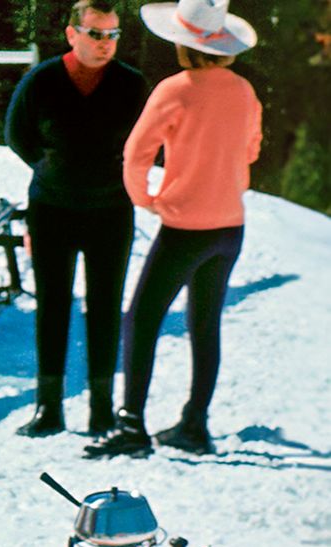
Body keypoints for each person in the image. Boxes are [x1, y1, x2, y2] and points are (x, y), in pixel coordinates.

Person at [87, 0, 263, 458]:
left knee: (140, 319)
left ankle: (131, 426)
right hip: (230, 226)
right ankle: (195, 424)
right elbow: (251, 150)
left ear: (183, 45)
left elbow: (136, 154)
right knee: (205, 324)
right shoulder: (243, 90)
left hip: (185, 225)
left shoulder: (175, 88)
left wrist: (146, 199)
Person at [6, 0, 150, 437]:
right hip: (52, 210)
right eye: (95, 34)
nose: (105, 44)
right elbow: (17, 136)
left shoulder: (130, 84)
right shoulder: (42, 80)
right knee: (52, 307)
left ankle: (102, 410)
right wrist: (54, 170)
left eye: (112, 35)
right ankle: (48, 409)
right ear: (72, 34)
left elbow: (147, 141)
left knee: (105, 308)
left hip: (111, 211)